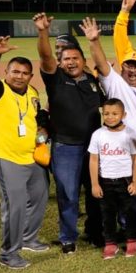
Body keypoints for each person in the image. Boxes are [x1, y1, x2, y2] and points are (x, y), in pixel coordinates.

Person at [81, 17, 136, 231]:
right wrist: (94, 41)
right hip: (130, 150)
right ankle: (128, 225)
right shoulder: (115, 84)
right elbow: (100, 64)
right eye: (129, 65)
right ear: (122, 66)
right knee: (129, 190)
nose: (133, 70)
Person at [35, 13, 104, 253]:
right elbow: (44, 56)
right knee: (68, 194)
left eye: (75, 58)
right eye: (66, 59)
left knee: (96, 193)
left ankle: (95, 231)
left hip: (94, 148)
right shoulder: (55, 79)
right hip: (65, 147)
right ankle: (67, 237)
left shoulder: (94, 82)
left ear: (83, 60)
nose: (71, 62)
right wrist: (43, 32)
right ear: (60, 62)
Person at [0, 36, 50, 269]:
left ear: (31, 76)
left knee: (40, 198)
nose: (20, 76)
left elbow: (35, 120)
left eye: (24, 73)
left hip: (32, 156)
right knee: (15, 205)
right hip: (7, 157)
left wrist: (42, 136)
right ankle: (8, 254)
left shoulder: (32, 92)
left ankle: (29, 238)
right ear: (7, 72)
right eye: (15, 72)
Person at [88, 99, 136, 259]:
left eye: (114, 114)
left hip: (126, 181)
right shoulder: (98, 135)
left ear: (123, 114)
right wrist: (95, 184)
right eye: (106, 114)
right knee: (107, 214)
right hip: (106, 182)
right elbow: (93, 160)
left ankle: (132, 241)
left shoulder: (130, 133)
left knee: (130, 213)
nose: (110, 117)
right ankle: (110, 243)